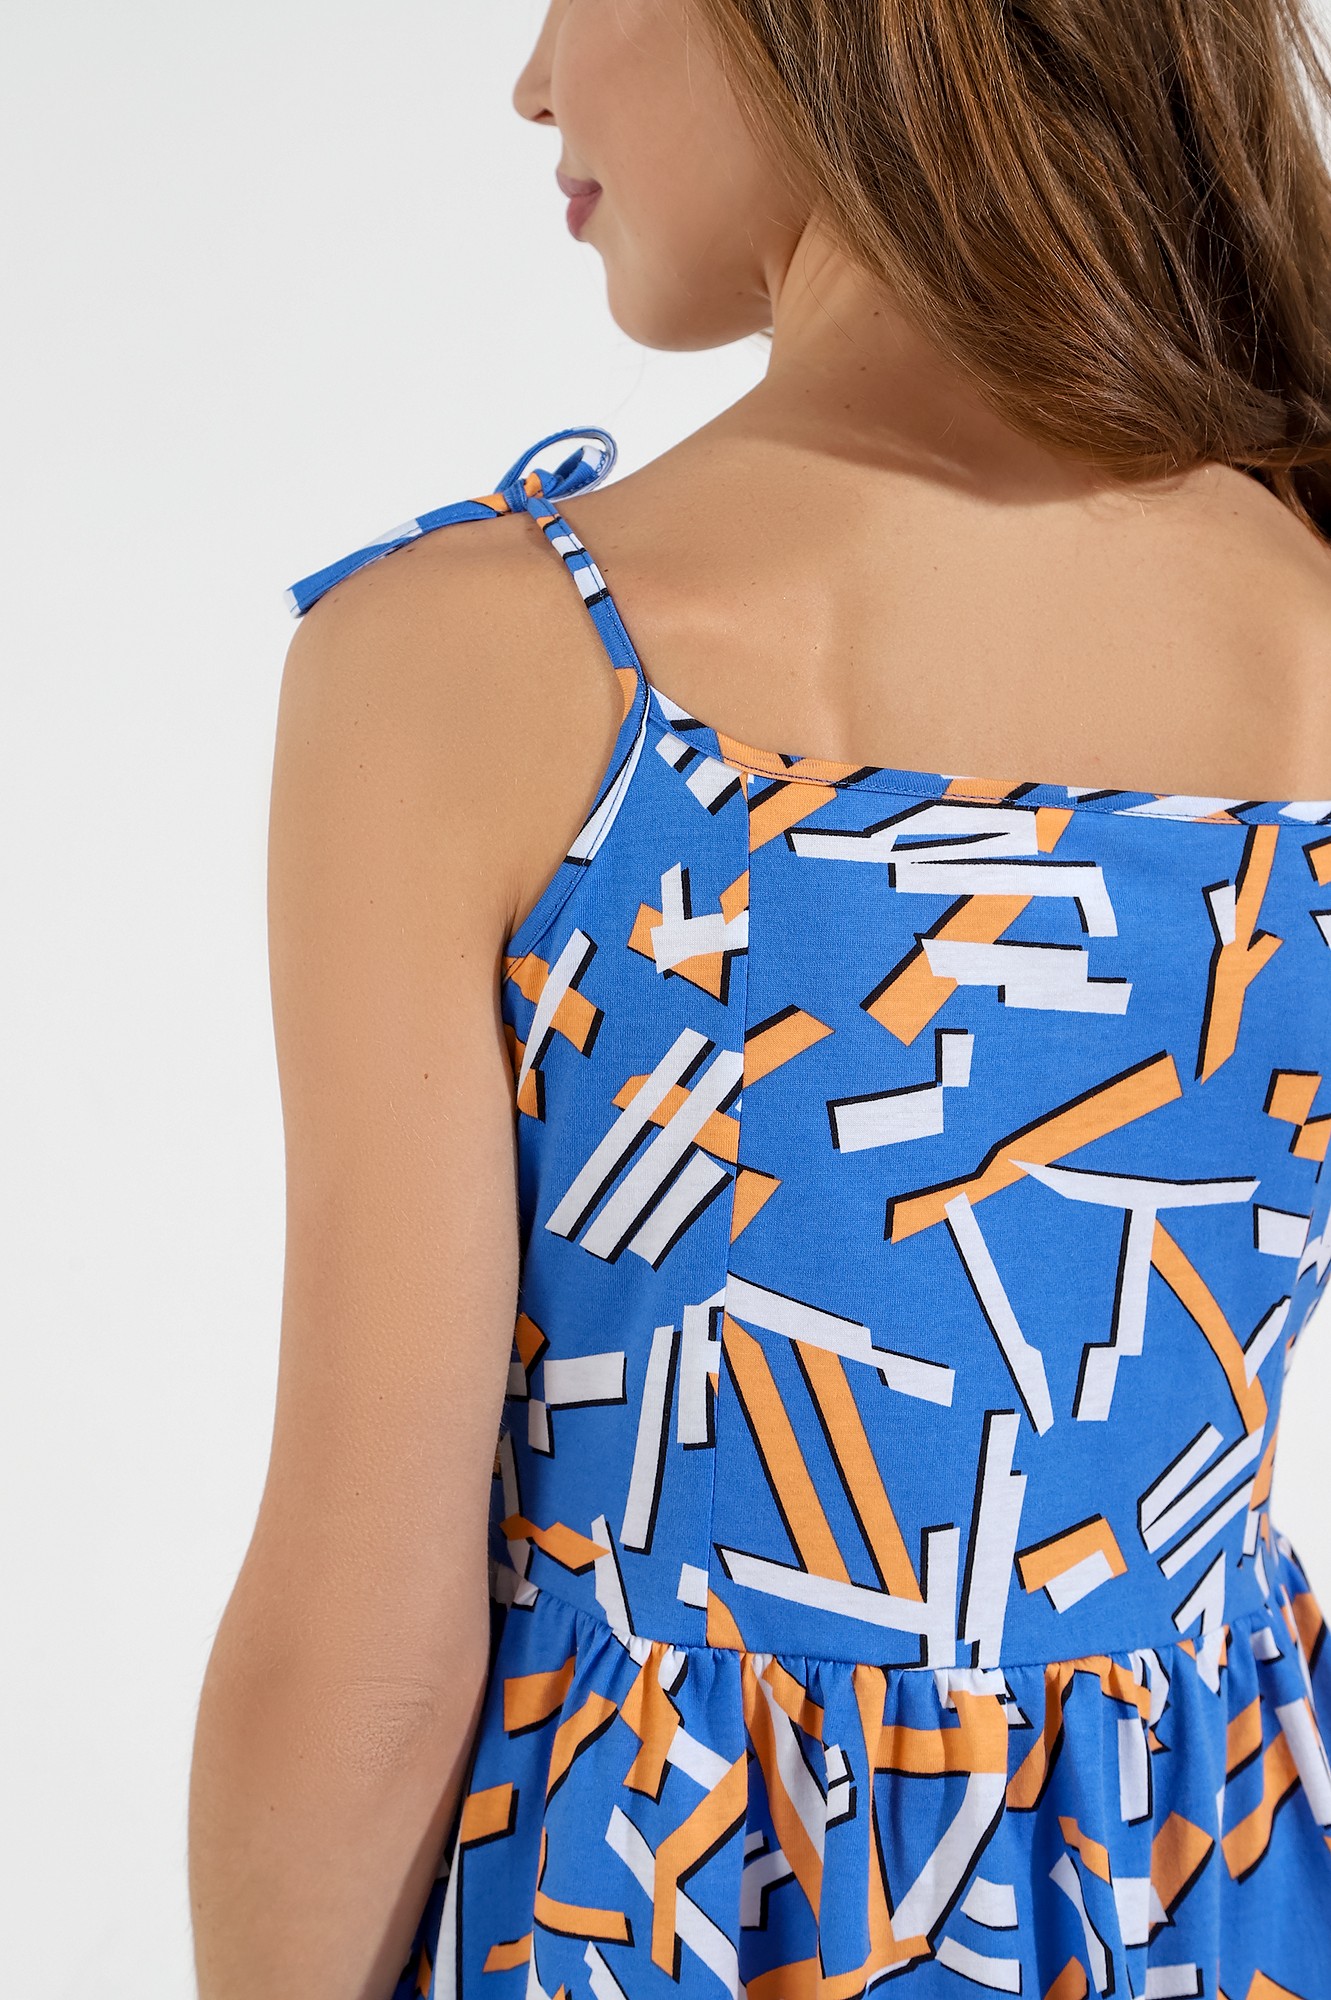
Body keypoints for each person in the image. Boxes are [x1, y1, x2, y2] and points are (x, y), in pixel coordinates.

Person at [188, 1, 1331, 1994]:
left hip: (658, 1911)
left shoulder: (483, 666)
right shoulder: (1307, 622)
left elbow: (362, 1642)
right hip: (1210, 1904)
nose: (534, 80)